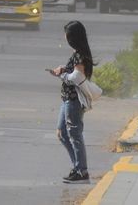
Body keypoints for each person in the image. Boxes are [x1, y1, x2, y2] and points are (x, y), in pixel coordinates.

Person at [49, 20, 94, 184]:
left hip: (73, 101)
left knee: (74, 134)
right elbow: (75, 72)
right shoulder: (78, 54)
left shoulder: (80, 55)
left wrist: (62, 75)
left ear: (73, 37)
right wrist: (64, 69)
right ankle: (77, 167)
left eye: (67, 35)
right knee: (61, 133)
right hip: (67, 99)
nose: (65, 37)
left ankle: (82, 171)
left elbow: (77, 77)